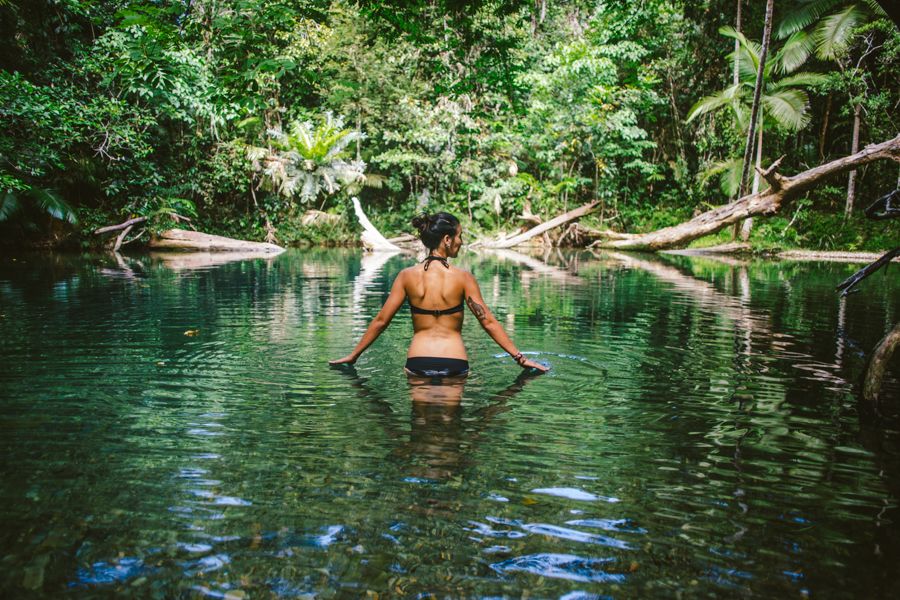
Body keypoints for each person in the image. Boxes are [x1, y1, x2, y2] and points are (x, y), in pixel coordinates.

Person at [329, 211, 549, 376]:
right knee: (450, 433)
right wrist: (520, 358)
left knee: (421, 432)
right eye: (459, 236)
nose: (461, 242)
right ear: (447, 239)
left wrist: (354, 355)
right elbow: (488, 322)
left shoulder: (406, 276)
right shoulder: (463, 278)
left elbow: (381, 320)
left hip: (418, 361)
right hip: (454, 362)